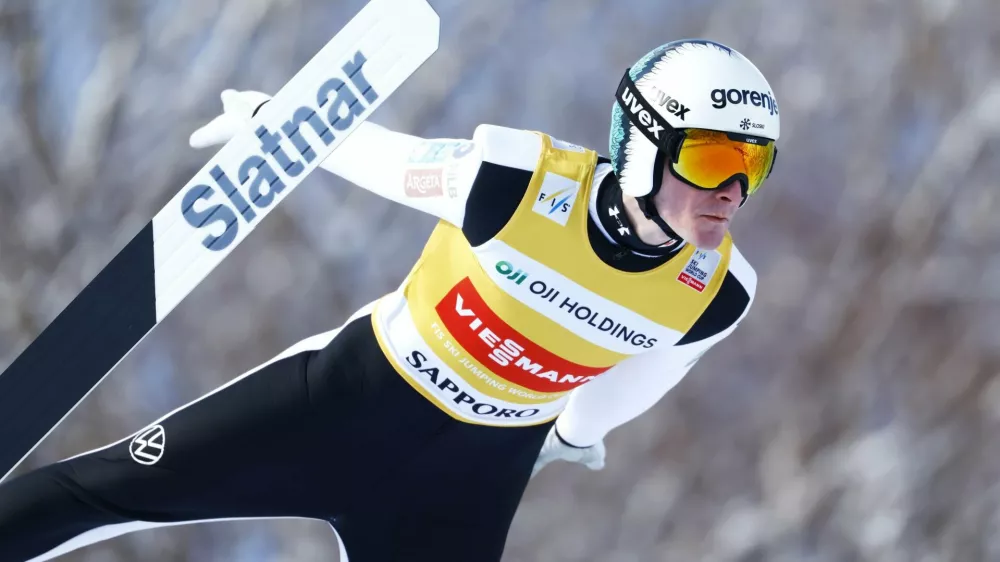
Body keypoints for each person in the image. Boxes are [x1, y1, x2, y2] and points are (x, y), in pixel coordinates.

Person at [0, 39, 779, 562]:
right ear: (643, 140)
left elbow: (626, 389)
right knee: (102, 492)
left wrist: (571, 436)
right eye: (713, 157)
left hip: (468, 485)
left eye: (755, 164)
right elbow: (380, 158)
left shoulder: (716, 294)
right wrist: (275, 125)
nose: (734, 190)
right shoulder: (517, 183)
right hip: (338, 407)